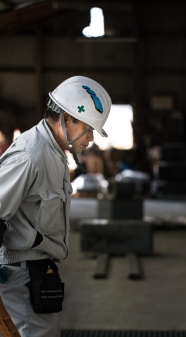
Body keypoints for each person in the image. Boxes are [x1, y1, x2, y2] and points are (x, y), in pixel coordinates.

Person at [0, 76, 111, 337]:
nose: (91, 138)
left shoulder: (55, 153)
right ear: (65, 117)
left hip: (36, 270)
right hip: (20, 276)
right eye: (87, 127)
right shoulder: (31, 155)